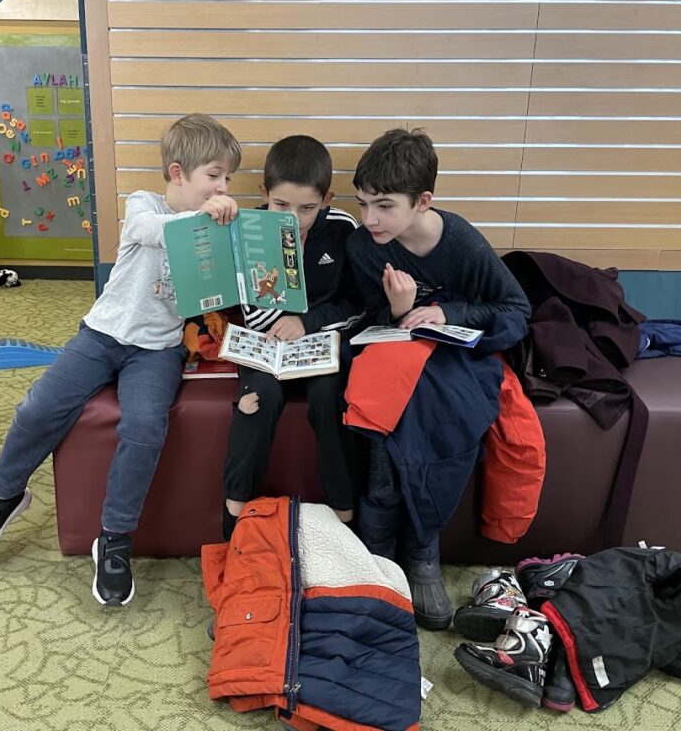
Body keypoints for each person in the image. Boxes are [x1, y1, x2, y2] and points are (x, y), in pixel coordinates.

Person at [0, 114, 242, 608]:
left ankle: (114, 537)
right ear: (178, 173)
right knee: (37, 409)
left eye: (227, 179)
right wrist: (205, 219)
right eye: (214, 175)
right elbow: (155, 233)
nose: (222, 187)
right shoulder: (143, 206)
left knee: (145, 427)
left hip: (157, 350)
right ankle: (3, 496)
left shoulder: (211, 228)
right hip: (101, 335)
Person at [345, 128, 531, 629]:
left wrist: (443, 310)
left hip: (455, 360)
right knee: (383, 410)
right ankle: (378, 552)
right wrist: (397, 309)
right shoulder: (365, 247)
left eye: (384, 206)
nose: (370, 219)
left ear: (422, 200)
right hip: (393, 355)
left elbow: (515, 311)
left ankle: (422, 550)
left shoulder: (462, 242)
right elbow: (367, 316)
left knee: (444, 414)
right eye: (363, 204)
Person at [221, 135, 365, 539]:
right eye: (281, 205)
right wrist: (280, 326)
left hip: (321, 347)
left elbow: (357, 304)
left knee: (330, 399)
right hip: (267, 348)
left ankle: (345, 521)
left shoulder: (342, 229)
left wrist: (308, 321)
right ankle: (233, 519)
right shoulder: (248, 228)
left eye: (307, 208)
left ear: (326, 199)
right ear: (265, 194)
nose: (294, 217)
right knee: (257, 400)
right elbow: (253, 310)